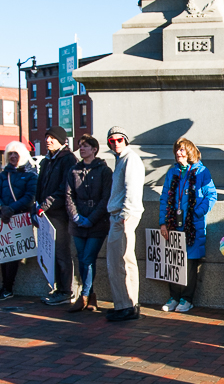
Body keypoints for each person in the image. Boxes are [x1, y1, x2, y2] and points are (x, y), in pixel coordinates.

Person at [159, 137, 217, 313]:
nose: (178, 153)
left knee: (190, 263)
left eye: (182, 150)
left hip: (193, 226)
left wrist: (196, 213)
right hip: (173, 225)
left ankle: (187, 299)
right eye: (177, 149)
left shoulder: (202, 172)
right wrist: (163, 223)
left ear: (190, 151)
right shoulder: (172, 173)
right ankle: (174, 297)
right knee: (174, 261)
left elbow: (211, 196)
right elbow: (164, 199)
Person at [65, 134, 113, 312]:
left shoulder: (104, 171)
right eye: (80, 145)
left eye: (85, 146)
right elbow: (69, 196)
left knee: (88, 258)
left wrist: (91, 218)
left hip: (97, 223)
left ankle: (84, 295)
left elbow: (106, 198)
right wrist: (76, 217)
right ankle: (91, 295)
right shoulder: (74, 170)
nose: (81, 148)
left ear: (94, 149)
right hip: (77, 223)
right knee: (81, 259)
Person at [105, 127, 145, 321]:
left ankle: (126, 306)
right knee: (123, 261)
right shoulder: (122, 160)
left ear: (126, 141)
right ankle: (127, 304)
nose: (116, 143)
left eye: (119, 139)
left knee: (120, 262)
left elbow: (132, 189)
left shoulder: (131, 159)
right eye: (111, 141)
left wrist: (124, 214)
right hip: (121, 215)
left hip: (123, 216)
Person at [36, 126, 78, 305]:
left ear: (61, 140)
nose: (48, 140)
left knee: (62, 252)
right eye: (47, 137)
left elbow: (64, 189)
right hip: (47, 215)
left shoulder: (67, 159)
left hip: (60, 215)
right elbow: (40, 185)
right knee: (52, 253)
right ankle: (58, 289)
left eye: (52, 137)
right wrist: (38, 205)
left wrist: (45, 205)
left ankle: (66, 291)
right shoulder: (47, 160)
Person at [0, 142, 38, 300]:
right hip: (4, 217)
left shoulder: (31, 174)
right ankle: (5, 286)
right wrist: (3, 208)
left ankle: (8, 287)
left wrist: (12, 208)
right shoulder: (3, 174)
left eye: (16, 153)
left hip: (20, 217)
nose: (13, 157)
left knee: (13, 255)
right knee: (3, 253)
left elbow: (30, 196)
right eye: (10, 154)